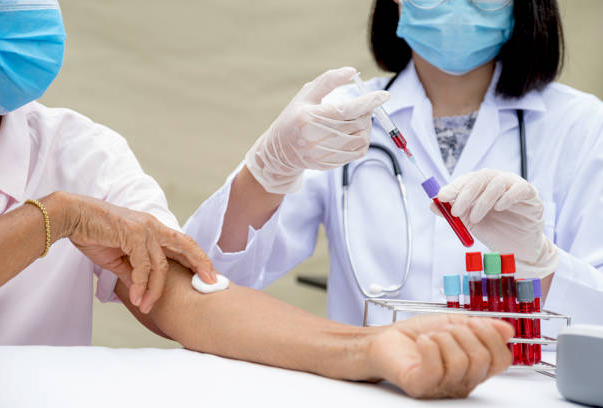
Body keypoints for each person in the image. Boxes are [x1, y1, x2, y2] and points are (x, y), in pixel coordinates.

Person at [0, 0, 514, 399]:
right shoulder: (67, 196)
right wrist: (53, 217)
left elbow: (186, 292)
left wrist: (368, 347)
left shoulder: (76, 151)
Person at [184, 0, 603, 330]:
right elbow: (208, 280)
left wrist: (543, 265)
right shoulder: (338, 119)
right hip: (369, 389)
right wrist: (267, 170)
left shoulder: (581, 125)